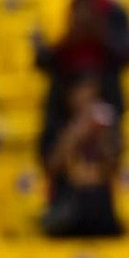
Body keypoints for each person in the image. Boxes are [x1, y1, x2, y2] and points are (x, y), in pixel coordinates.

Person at [35, 0, 129, 169]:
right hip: (63, 89)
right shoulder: (56, 9)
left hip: (106, 88)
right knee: (57, 153)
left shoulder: (112, 10)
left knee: (108, 149)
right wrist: (68, 38)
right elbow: (40, 59)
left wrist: (99, 33)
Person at [41, 75, 123, 239]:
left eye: (91, 93)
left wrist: (102, 135)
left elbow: (113, 166)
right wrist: (76, 131)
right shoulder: (57, 124)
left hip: (100, 205)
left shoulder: (106, 126)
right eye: (81, 92)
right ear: (70, 95)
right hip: (67, 203)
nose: (85, 98)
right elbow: (52, 166)